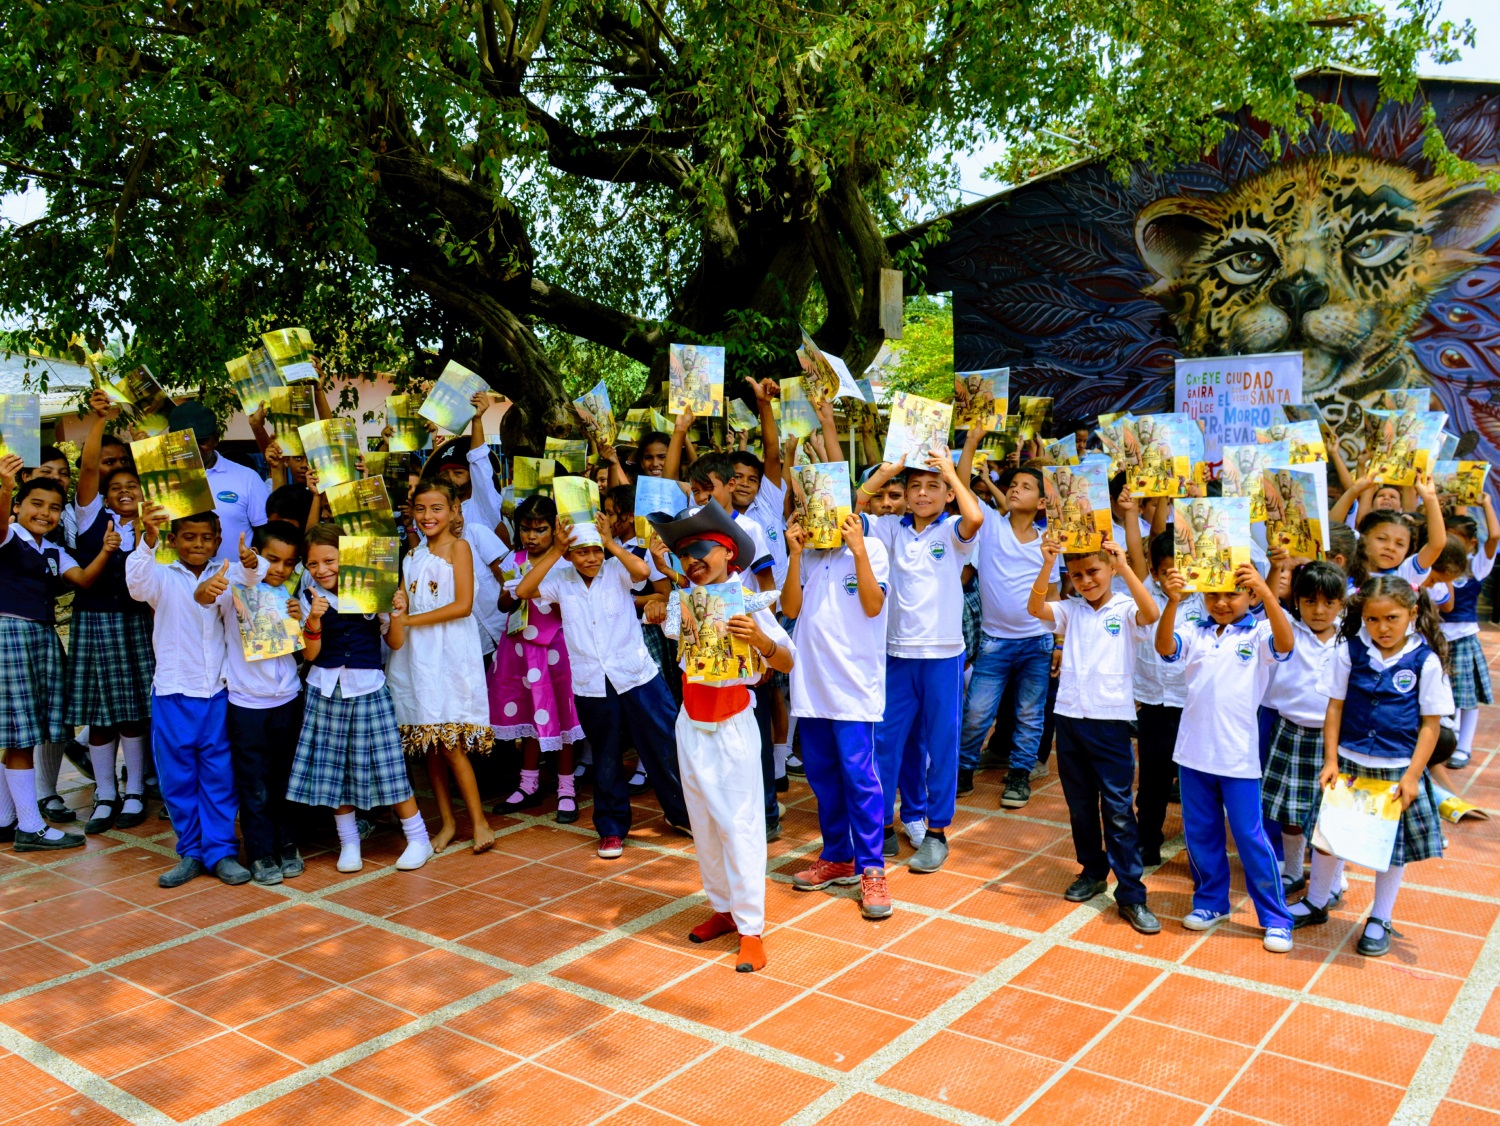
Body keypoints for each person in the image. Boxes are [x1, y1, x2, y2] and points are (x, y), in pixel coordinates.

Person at [647, 500, 795, 973]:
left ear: (728, 553)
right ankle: (723, 910)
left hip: (732, 725)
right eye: (685, 553)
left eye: (703, 550)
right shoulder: (684, 598)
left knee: (739, 826)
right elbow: (665, 623)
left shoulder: (747, 599)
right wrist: (657, 602)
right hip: (690, 724)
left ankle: (751, 928)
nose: (693, 561)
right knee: (704, 825)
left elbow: (787, 660)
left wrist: (760, 641)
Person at [514, 506, 691, 857]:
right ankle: (611, 828)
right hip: (592, 682)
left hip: (637, 674)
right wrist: (555, 551)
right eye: (582, 551)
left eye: (596, 549)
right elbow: (523, 590)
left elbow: (641, 570)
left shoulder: (616, 570)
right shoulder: (560, 580)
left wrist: (610, 541)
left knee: (665, 746)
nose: (591, 558)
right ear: (569, 554)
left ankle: (683, 814)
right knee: (606, 757)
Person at [1294, 577, 1453, 957]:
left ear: (1412, 614)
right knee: (1331, 837)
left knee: (1390, 848)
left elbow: (1431, 723)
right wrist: (1331, 759)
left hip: (1398, 768)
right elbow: (1335, 706)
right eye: (1372, 619)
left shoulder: (1424, 660)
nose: (1382, 628)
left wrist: (1414, 775)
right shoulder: (1350, 651)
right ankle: (1317, 901)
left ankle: (1381, 917)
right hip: (1349, 762)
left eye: (1392, 619)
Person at [1155, 558, 1296, 953]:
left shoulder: (1259, 632)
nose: (1221, 602)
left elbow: (1286, 644)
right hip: (1193, 754)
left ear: (1249, 594)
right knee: (1201, 835)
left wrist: (1268, 593)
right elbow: (1165, 648)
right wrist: (1172, 601)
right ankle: (1211, 902)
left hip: (1238, 759)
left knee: (1251, 838)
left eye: (1232, 593)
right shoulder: (1193, 631)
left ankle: (1275, 918)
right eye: (1213, 593)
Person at [856, 448, 984, 873]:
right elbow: (855, 506)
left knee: (941, 745)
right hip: (895, 654)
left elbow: (976, 518)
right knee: (886, 745)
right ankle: (882, 828)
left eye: (934, 487)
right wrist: (889, 470)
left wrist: (949, 469)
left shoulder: (951, 531)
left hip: (943, 656)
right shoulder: (891, 528)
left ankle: (936, 832)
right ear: (905, 495)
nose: (924, 493)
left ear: (948, 494)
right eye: (915, 487)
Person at [1026, 536, 1161, 934]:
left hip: (1110, 722)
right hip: (1069, 718)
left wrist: (1124, 562)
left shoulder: (1126, 607)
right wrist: (1048, 564)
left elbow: (1151, 613)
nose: (1086, 581)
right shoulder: (1071, 611)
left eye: (1094, 571)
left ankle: (1133, 893)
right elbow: (1035, 608)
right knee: (1080, 805)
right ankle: (1091, 869)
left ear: (1112, 570)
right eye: (1078, 574)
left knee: (1118, 809)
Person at [127, 503, 260, 887]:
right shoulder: (161, 576)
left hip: (217, 693)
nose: (198, 544)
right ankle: (190, 851)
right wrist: (147, 538)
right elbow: (136, 585)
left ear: (218, 541)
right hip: (172, 692)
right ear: (174, 540)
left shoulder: (229, 571)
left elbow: (256, 579)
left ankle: (221, 853)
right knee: (178, 778)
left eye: (206, 537)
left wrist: (250, 561)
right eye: (188, 537)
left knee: (219, 776)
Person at [288, 523, 433, 873]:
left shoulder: (372, 588)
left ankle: (418, 838)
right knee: (333, 771)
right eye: (313, 564)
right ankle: (349, 842)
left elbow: (395, 642)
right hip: (325, 689)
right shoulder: (306, 597)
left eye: (331, 560)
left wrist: (398, 613)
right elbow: (309, 655)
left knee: (388, 766)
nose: (322, 570)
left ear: (349, 558)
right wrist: (314, 620)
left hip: (368, 687)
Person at [0, 458, 116, 851]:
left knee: (27, 731)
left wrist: (105, 550)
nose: (44, 513)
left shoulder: (52, 549)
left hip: (42, 636)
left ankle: (4, 817)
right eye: (35, 503)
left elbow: (82, 579)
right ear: (18, 506)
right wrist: (3, 484)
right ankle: (30, 827)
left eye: (53, 508)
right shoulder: (8, 534)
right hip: (11, 633)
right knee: (18, 735)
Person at [782, 508, 892, 919]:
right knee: (822, 777)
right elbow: (791, 609)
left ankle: (872, 869)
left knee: (860, 778)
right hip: (811, 686)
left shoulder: (872, 549)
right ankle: (838, 856)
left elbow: (872, 605)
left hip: (854, 688)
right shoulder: (808, 556)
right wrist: (794, 555)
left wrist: (858, 549)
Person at [385, 479, 495, 853]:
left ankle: (479, 822)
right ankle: (447, 823)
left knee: (450, 743)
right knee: (429, 744)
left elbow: (462, 605)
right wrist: (398, 611)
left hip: (448, 655)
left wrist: (410, 621)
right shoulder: (411, 555)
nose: (427, 516)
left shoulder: (458, 548)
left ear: (453, 511)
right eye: (420, 509)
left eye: (436, 508)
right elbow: (404, 607)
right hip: (416, 659)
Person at [65, 390, 155, 833]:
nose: (123, 491)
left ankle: (135, 790)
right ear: (103, 492)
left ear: (143, 492)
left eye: (131, 486)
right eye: (115, 486)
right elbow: (86, 467)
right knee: (100, 716)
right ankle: (105, 794)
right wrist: (98, 421)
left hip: (138, 623)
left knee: (136, 712)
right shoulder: (88, 516)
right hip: (96, 621)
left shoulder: (154, 526)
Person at [955, 463, 1054, 808]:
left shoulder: (1047, 542)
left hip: (1037, 642)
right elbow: (962, 480)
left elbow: (1052, 597)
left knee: (1030, 713)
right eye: (1012, 484)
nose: (1015, 489)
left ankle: (1019, 774)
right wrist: (972, 442)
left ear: (1042, 502)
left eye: (1026, 487)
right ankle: (963, 770)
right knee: (977, 712)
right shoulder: (991, 526)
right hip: (994, 641)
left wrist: (1059, 642)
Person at [220, 521, 308, 883]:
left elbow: (301, 651)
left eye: (289, 563)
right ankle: (259, 851)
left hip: (287, 697)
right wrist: (248, 565)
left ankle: (286, 842)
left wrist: (301, 620)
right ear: (255, 554)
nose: (280, 569)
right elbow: (247, 577)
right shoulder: (235, 589)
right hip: (247, 704)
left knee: (284, 776)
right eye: (272, 559)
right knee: (253, 781)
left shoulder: (291, 597)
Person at [490, 495, 585, 821]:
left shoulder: (567, 562)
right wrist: (512, 590)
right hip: (519, 648)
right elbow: (503, 605)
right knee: (531, 714)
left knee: (562, 714)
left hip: (555, 648)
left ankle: (566, 788)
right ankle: (528, 784)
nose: (532, 536)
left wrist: (544, 592)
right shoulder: (512, 559)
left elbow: (570, 609)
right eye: (526, 529)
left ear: (555, 529)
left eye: (541, 530)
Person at [1261, 560, 1346, 896]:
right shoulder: (1285, 630)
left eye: (1329, 602)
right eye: (1310, 601)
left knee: (1333, 815)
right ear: (1296, 600)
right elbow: (1264, 600)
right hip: (1291, 730)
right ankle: (1294, 871)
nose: (1319, 611)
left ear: (1342, 603)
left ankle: (1332, 879)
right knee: (1290, 809)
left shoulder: (1351, 636)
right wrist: (1274, 567)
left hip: (1337, 739)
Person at [1133, 530, 1204, 865]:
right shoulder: (1145, 595)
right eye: (1166, 572)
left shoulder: (1208, 599)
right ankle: (1147, 840)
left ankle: (1201, 852)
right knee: (1152, 783)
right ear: (1154, 571)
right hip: (1156, 706)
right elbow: (1134, 550)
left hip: (1195, 708)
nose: (1176, 579)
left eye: (1183, 569)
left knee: (1196, 785)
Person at [168, 401, 269, 561]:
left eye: (201, 442)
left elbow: (264, 531)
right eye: (185, 442)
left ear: (216, 438)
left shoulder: (247, 478)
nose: (193, 449)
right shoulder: (160, 480)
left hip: (234, 582)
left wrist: (254, 557)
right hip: (175, 583)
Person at [1439, 500, 1498, 768]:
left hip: (1462, 637)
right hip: (1436, 637)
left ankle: (1464, 746)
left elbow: (1495, 536)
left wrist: (1485, 503)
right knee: (1443, 693)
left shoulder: (1477, 566)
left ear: (1472, 544)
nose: (1451, 544)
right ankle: (1447, 740)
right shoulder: (1435, 564)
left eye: (1458, 540)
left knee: (1466, 696)